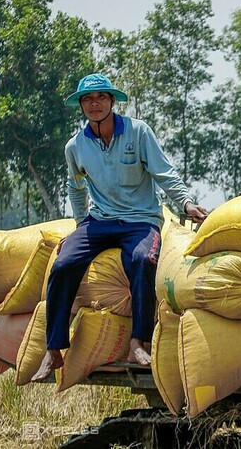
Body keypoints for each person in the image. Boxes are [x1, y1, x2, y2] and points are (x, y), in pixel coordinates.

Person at [31, 73, 208, 382]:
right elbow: (76, 188)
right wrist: (78, 224)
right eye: (87, 99)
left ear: (112, 102)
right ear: (82, 106)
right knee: (63, 264)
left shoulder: (138, 133)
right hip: (99, 221)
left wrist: (187, 204)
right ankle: (53, 350)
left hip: (141, 221)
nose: (94, 103)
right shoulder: (75, 146)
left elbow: (164, 173)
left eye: (101, 97)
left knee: (143, 261)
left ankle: (138, 343)